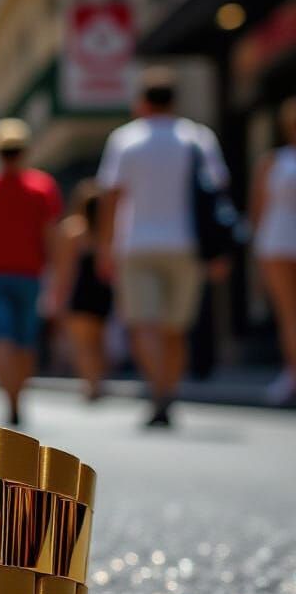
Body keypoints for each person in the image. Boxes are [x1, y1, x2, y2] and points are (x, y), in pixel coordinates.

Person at [96, 67, 230, 427]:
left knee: (142, 326)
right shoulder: (198, 138)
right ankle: (167, 392)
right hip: (186, 245)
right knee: (174, 329)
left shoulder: (126, 139)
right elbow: (218, 190)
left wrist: (105, 247)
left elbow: (111, 196)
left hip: (136, 245)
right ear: (175, 101)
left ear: (142, 102)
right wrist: (219, 250)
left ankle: (158, 391)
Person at [0, 118, 62, 425]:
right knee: (24, 341)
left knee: (2, 338)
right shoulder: (42, 187)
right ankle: (18, 396)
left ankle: (11, 398)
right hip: (29, 275)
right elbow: (50, 234)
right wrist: (56, 272)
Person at [251, 96, 296, 406]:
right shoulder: (273, 161)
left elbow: (258, 210)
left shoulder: (274, 162)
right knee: (288, 313)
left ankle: (291, 373)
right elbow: (258, 209)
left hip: (276, 241)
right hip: (277, 243)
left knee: (289, 314)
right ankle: (292, 373)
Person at [52, 180, 113, 401]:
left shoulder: (72, 230)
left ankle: (92, 384)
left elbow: (65, 268)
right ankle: (99, 380)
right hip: (103, 291)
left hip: (80, 292)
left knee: (83, 344)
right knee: (99, 340)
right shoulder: (107, 231)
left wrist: (58, 296)